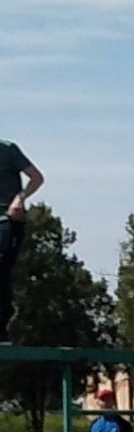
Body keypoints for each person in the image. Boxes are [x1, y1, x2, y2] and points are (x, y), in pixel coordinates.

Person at [0, 138, 45, 344]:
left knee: (1, 267)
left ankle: (2, 324)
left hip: (8, 219)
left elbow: (36, 178)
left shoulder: (8, 150)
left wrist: (20, 198)